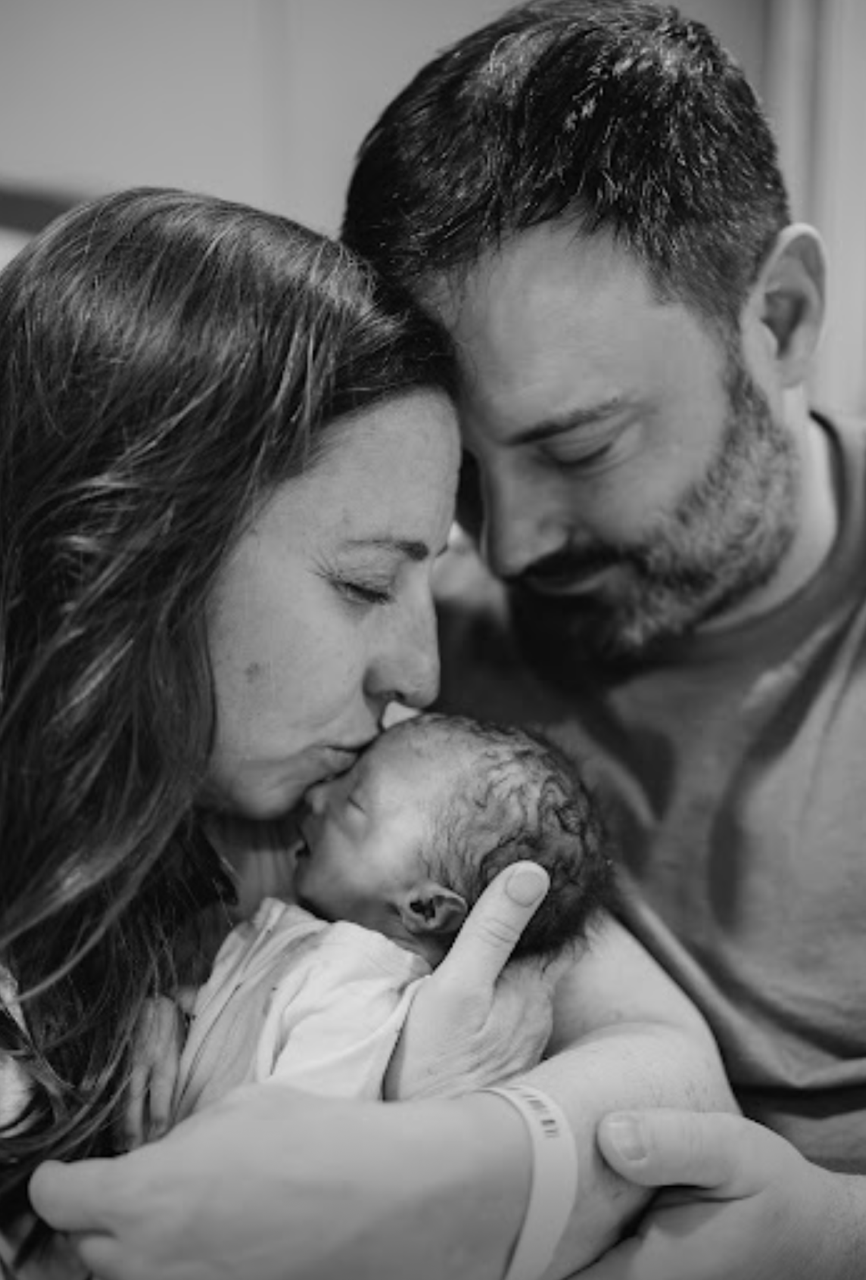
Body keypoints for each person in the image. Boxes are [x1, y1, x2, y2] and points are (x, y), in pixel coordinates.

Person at [0, 187, 734, 1280]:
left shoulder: (293, 810)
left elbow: (668, 1071)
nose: (420, 673)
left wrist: (431, 1165)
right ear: (126, 556)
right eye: (361, 581)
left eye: (427, 571)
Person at [340, 0, 866, 1274]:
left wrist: (832, 1233)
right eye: (461, 474)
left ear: (780, 318)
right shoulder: (396, 654)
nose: (507, 549)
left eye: (576, 446)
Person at [128, 712, 616, 1138]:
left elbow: (290, 1148)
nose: (318, 798)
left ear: (424, 908)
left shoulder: (354, 991)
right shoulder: (317, 949)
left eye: (354, 803)